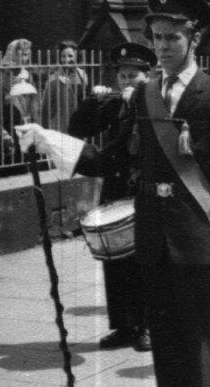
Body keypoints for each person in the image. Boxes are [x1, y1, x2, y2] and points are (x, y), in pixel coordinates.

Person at [21, 0, 210, 387]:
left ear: (195, 38)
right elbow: (113, 159)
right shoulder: (147, 93)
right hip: (151, 234)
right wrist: (49, 141)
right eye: (156, 37)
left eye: (173, 36)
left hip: (198, 234)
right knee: (166, 339)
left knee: (196, 340)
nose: (164, 45)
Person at [67, 42, 156, 352]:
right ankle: (124, 326)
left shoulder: (156, 102)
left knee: (143, 259)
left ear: (149, 75)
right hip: (116, 189)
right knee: (114, 258)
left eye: (134, 76)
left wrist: (138, 105)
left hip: (142, 189)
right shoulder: (116, 103)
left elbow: (121, 150)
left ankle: (145, 326)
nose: (127, 81)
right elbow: (77, 128)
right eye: (123, 76)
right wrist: (94, 101)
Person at [0, 38, 35, 178]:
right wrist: (3, 134)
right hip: (7, 141)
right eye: (21, 54)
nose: (24, 59)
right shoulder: (0, 90)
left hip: (24, 134)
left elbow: (32, 107)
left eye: (27, 55)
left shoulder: (28, 78)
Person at [41, 40, 88, 133]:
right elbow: (45, 108)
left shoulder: (82, 75)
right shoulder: (53, 80)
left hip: (78, 126)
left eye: (70, 56)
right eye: (63, 56)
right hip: (60, 127)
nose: (66, 60)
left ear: (76, 56)